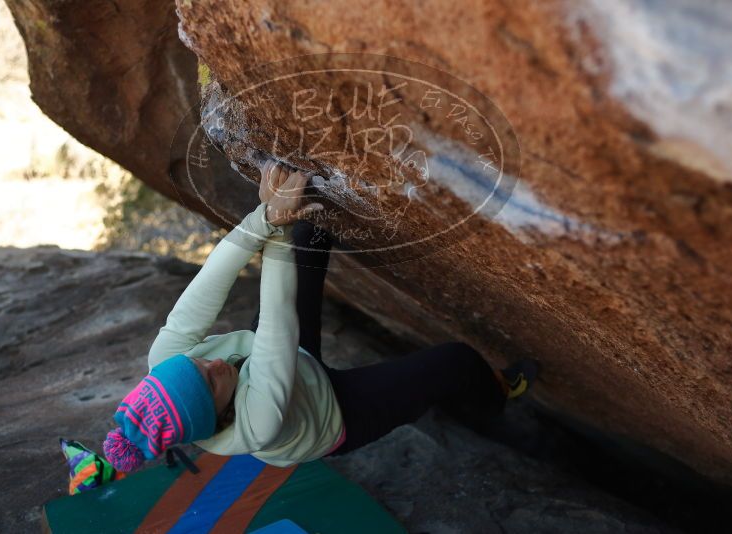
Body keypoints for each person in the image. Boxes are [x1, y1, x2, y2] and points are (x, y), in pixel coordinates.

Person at [102, 160, 538, 472]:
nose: (213, 362)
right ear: (216, 417)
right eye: (212, 379)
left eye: (196, 362)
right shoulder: (258, 426)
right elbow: (276, 329)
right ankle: (495, 396)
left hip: (286, 357)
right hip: (336, 416)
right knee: (455, 362)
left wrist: (265, 219)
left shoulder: (167, 361)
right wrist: (276, 228)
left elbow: (207, 287)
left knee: (310, 233)